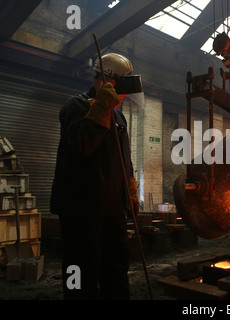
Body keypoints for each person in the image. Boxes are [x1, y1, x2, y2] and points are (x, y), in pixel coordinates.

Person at [50, 53, 140, 300]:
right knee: (80, 274)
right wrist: (101, 106)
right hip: (80, 212)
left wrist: (130, 190)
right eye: (121, 89)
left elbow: (124, 157)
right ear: (104, 81)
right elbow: (82, 144)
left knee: (116, 271)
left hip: (112, 209)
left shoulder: (118, 115)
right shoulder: (76, 106)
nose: (125, 96)